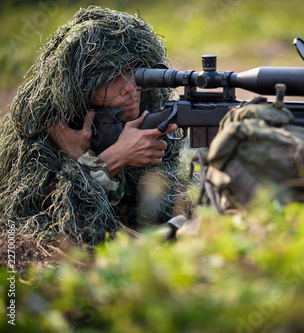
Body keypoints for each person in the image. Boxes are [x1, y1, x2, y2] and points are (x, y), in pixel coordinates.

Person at [0, 6, 188, 244]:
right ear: (81, 88)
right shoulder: (42, 137)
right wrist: (114, 158)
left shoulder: (155, 114)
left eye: (135, 72)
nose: (130, 87)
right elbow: (61, 230)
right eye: (111, 77)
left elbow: (159, 210)